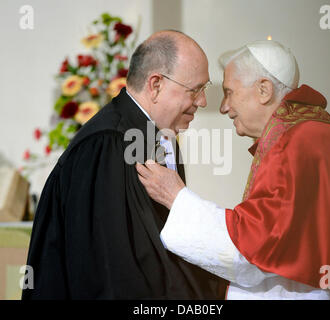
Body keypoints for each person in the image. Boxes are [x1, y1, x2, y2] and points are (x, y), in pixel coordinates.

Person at [136, 40, 330, 299]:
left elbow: (255, 249)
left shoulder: (296, 143)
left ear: (264, 90)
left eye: (229, 92)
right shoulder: (319, 133)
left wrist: (177, 198)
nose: (224, 107)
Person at [22, 30, 226, 299]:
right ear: (155, 85)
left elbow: (163, 246)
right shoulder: (106, 145)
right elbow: (108, 271)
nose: (203, 101)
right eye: (196, 89)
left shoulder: (158, 138)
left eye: (205, 89)